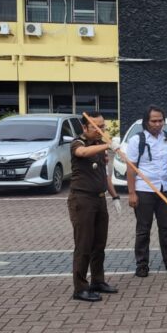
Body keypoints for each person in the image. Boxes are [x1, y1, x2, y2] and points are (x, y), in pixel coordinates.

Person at [126, 105, 167, 278]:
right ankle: (142, 264)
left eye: (160, 120)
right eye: (154, 121)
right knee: (143, 229)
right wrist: (131, 193)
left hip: (166, 188)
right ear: (146, 122)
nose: (157, 124)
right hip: (144, 189)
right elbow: (131, 169)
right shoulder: (137, 140)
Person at [68, 112, 121, 302]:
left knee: (99, 244)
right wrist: (107, 145)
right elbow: (81, 153)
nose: (101, 131)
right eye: (96, 127)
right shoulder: (78, 143)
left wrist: (114, 196)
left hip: (99, 200)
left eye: (103, 127)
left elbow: (105, 175)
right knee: (84, 245)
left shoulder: (100, 148)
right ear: (84, 128)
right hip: (82, 200)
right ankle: (80, 288)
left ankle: (98, 280)